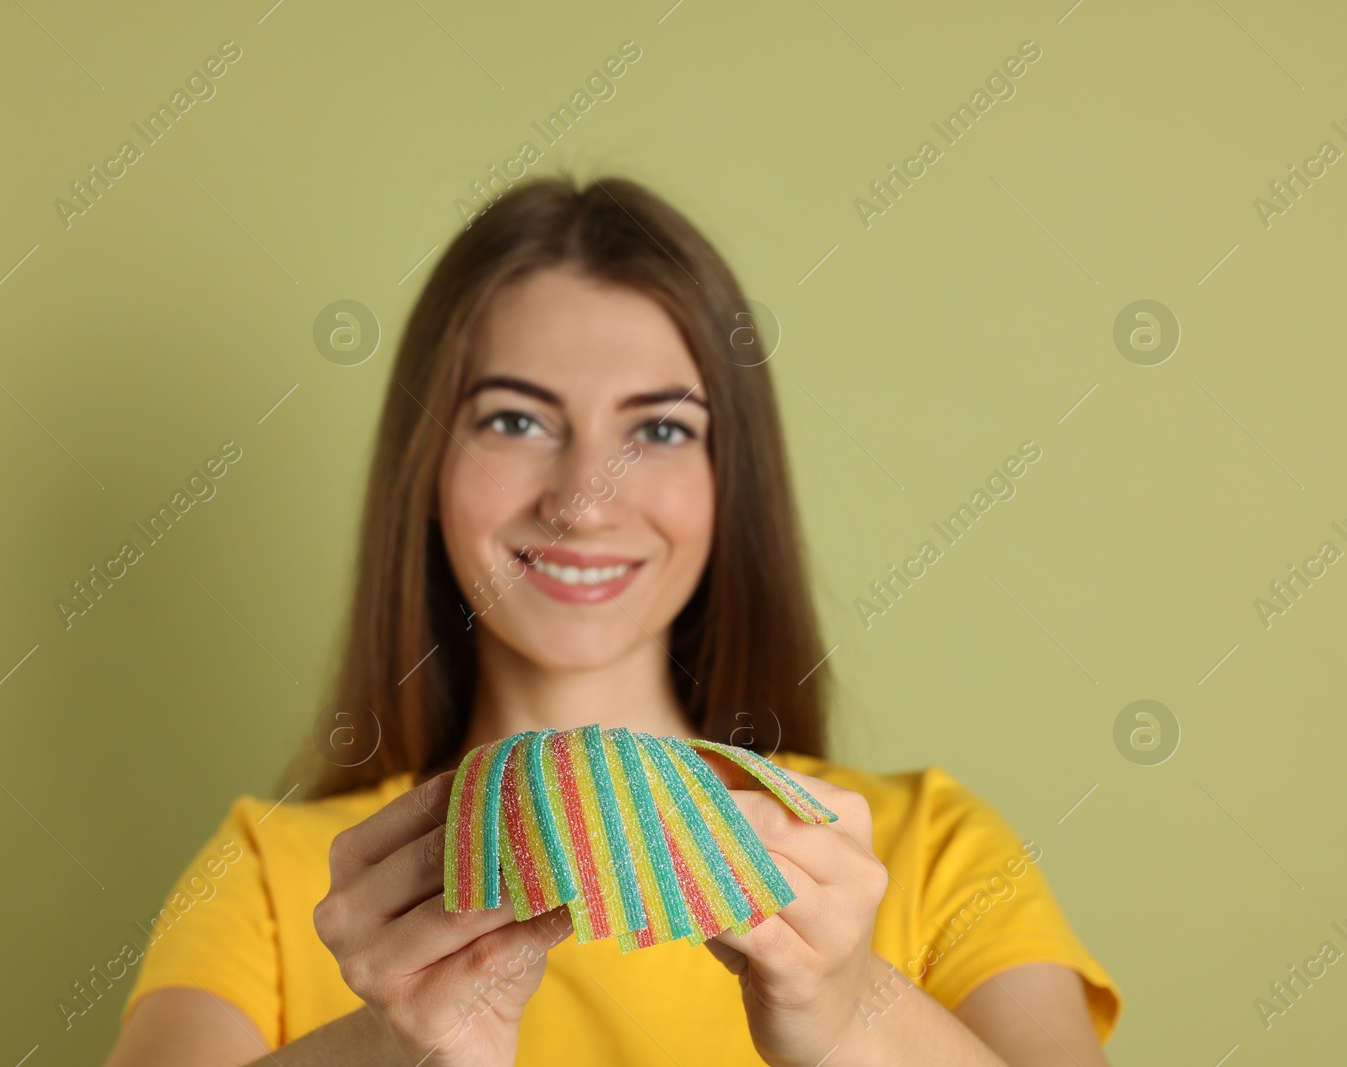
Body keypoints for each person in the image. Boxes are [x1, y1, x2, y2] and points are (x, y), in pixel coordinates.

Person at [101, 176, 1121, 1067]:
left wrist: (857, 1016)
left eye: (661, 428)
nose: (585, 498)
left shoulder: (927, 851)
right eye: (514, 418)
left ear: (734, 485)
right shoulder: (283, 877)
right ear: (426, 467)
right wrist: (390, 1049)